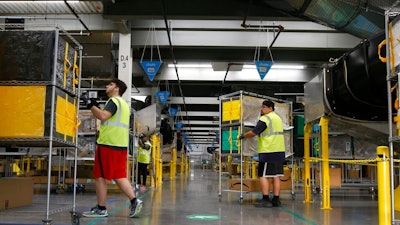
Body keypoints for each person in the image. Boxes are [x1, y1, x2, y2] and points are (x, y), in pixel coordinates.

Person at [82, 78, 143, 218]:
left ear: (117, 89)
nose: (107, 86)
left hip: (108, 144)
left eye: (110, 84)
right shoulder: (124, 104)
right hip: (120, 145)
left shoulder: (114, 101)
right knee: (119, 175)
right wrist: (96, 105)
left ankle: (101, 208)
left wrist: (89, 103)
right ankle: (134, 200)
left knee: (99, 176)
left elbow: (103, 116)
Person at [239, 100, 285, 207]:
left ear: (270, 108)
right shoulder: (278, 118)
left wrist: (243, 136)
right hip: (279, 151)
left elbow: (254, 132)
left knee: (263, 175)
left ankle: (265, 199)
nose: (262, 109)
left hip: (268, 151)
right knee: (276, 176)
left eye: (264, 107)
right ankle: (276, 199)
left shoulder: (265, 118)